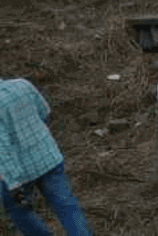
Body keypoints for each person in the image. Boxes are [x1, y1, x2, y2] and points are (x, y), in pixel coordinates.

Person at [0, 78, 94, 236]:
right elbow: (45, 112)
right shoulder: (22, 84)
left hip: (20, 172)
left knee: (18, 211)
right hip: (49, 159)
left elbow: (2, 150)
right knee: (66, 207)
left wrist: (14, 185)